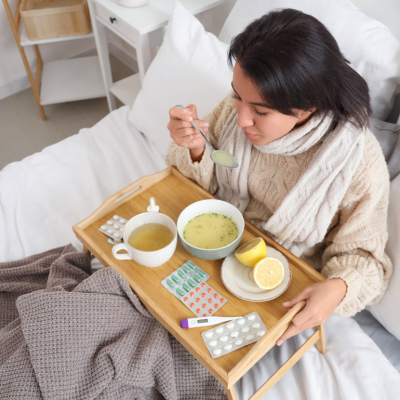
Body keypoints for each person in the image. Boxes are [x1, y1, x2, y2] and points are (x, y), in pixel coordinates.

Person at [166, 9, 392, 345]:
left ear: (307, 108)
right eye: (236, 96)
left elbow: (365, 259)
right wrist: (196, 147)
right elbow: (194, 180)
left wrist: (338, 288)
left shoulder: (358, 163)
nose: (241, 119)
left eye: (260, 111)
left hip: (270, 291)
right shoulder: (237, 109)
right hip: (207, 250)